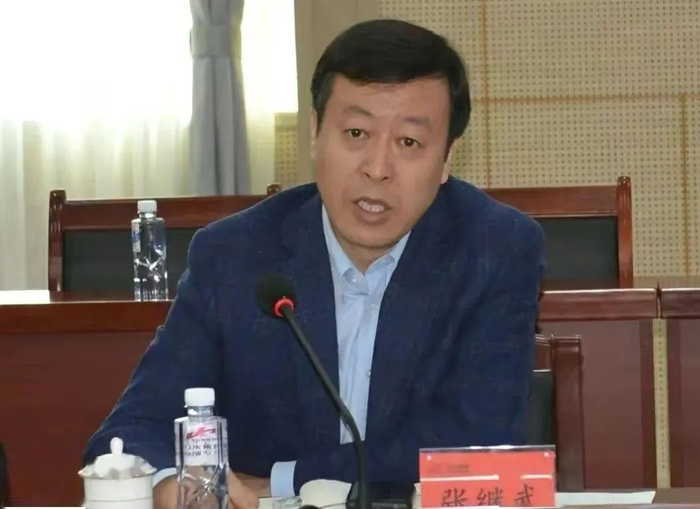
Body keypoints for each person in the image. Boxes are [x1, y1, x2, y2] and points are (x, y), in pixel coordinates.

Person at [84, 18, 545, 509]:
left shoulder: (494, 250)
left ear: (449, 157)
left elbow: (478, 442)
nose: (377, 168)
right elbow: (133, 431)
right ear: (315, 132)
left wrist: (285, 480)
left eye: (409, 142)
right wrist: (170, 484)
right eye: (356, 133)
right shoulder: (234, 255)